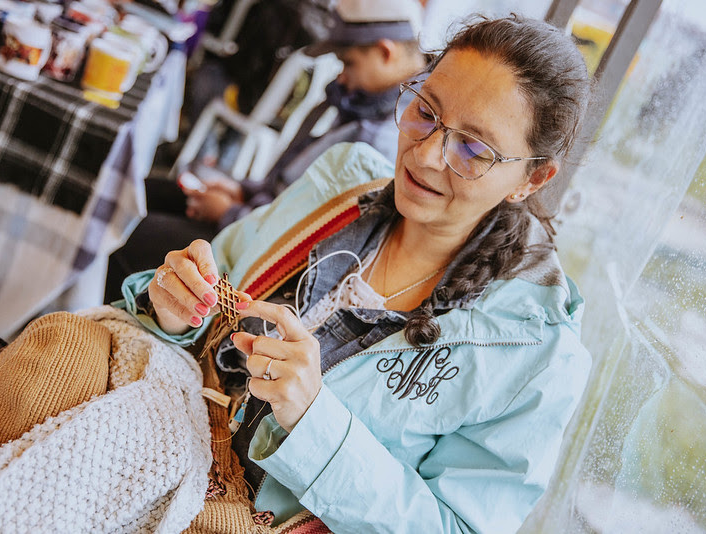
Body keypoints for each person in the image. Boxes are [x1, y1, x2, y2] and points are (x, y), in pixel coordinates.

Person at [118, 13, 594, 534]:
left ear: (533, 179)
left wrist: (314, 423)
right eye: (426, 111)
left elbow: (455, 526)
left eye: (474, 149)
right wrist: (173, 307)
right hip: (146, 451)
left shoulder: (533, 355)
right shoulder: (339, 184)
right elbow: (213, 286)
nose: (426, 155)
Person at [103, 0, 428, 303]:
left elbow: (306, 236)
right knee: (142, 191)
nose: (342, 77)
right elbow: (297, 186)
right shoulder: (364, 102)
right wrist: (244, 191)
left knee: (130, 234)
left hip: (260, 253)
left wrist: (230, 213)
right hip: (258, 215)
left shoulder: (384, 139)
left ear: (385, 52)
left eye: (349, 63)